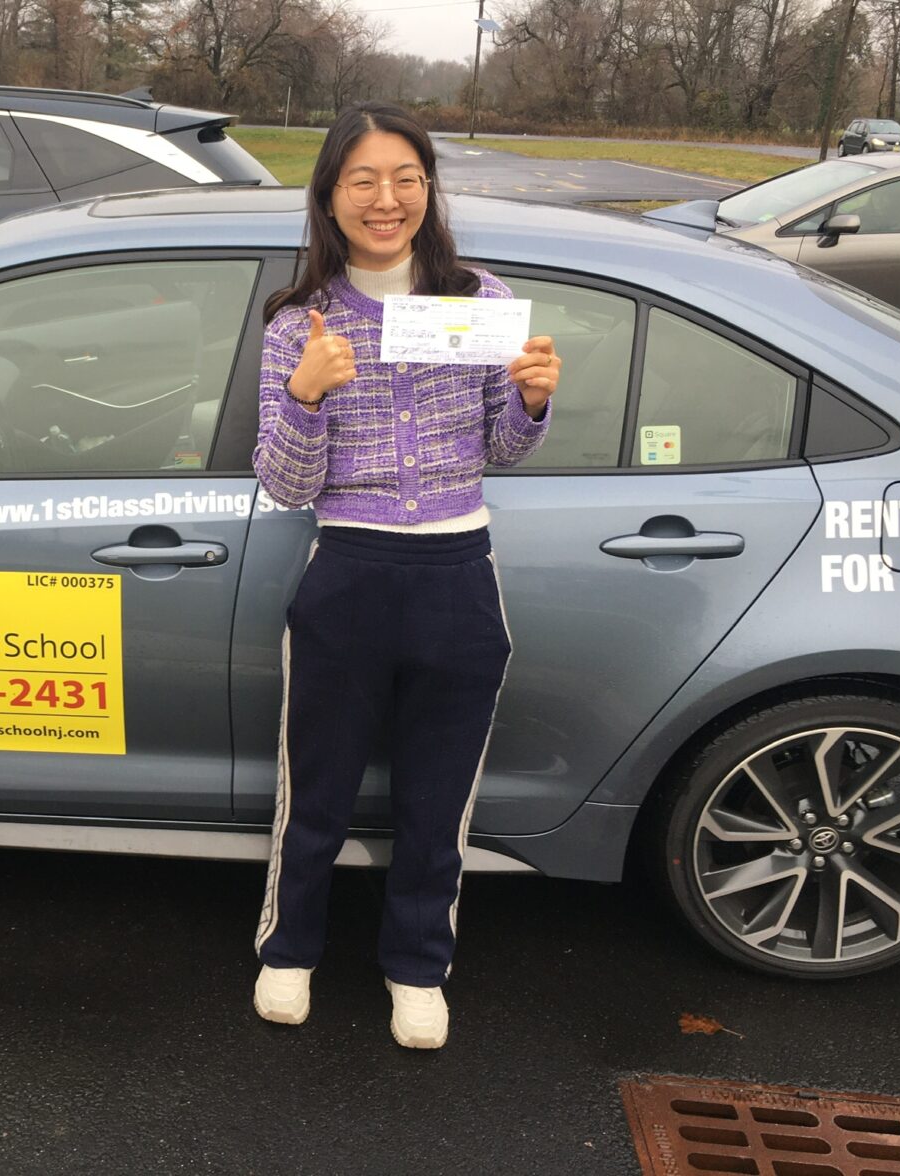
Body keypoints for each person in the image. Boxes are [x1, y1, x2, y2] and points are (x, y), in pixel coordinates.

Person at [250, 101, 561, 1050]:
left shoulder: (477, 301)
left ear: (428, 189)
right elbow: (285, 484)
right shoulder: (299, 323)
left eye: (406, 179)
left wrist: (531, 402)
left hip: (458, 572)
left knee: (439, 796)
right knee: (317, 789)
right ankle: (289, 950)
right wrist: (305, 395)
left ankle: (418, 967)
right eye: (363, 181)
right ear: (329, 197)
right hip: (348, 568)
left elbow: (501, 449)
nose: (386, 200)